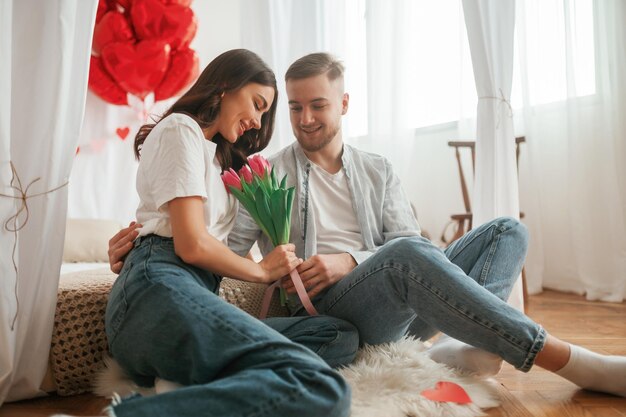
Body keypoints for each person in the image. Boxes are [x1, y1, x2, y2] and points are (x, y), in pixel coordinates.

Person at [110, 52, 626, 398]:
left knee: (507, 232)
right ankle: (564, 358)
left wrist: (351, 260)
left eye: (318, 105)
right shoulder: (266, 173)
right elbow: (221, 241)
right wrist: (148, 241)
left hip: (398, 291)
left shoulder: (378, 169)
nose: (305, 118)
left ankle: (466, 346)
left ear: (344, 104)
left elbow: (410, 243)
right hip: (335, 306)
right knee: (410, 257)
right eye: (292, 108)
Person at [61, 49, 355, 417]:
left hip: (193, 290)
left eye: (265, 113)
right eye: (257, 103)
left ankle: (190, 389)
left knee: (337, 334)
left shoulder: (218, 160)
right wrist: (264, 271)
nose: (258, 120)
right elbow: (190, 243)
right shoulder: (181, 128)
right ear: (225, 87)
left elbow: (216, 245)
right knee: (321, 385)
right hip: (157, 291)